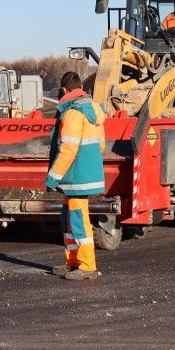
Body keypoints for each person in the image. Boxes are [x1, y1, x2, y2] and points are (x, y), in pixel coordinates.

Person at [45, 71, 106, 281]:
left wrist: (53, 177)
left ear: (63, 90)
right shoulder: (94, 110)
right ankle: (73, 262)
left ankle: (87, 266)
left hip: (76, 177)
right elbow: (101, 145)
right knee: (69, 220)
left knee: (78, 220)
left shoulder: (72, 113)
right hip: (83, 175)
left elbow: (68, 150)